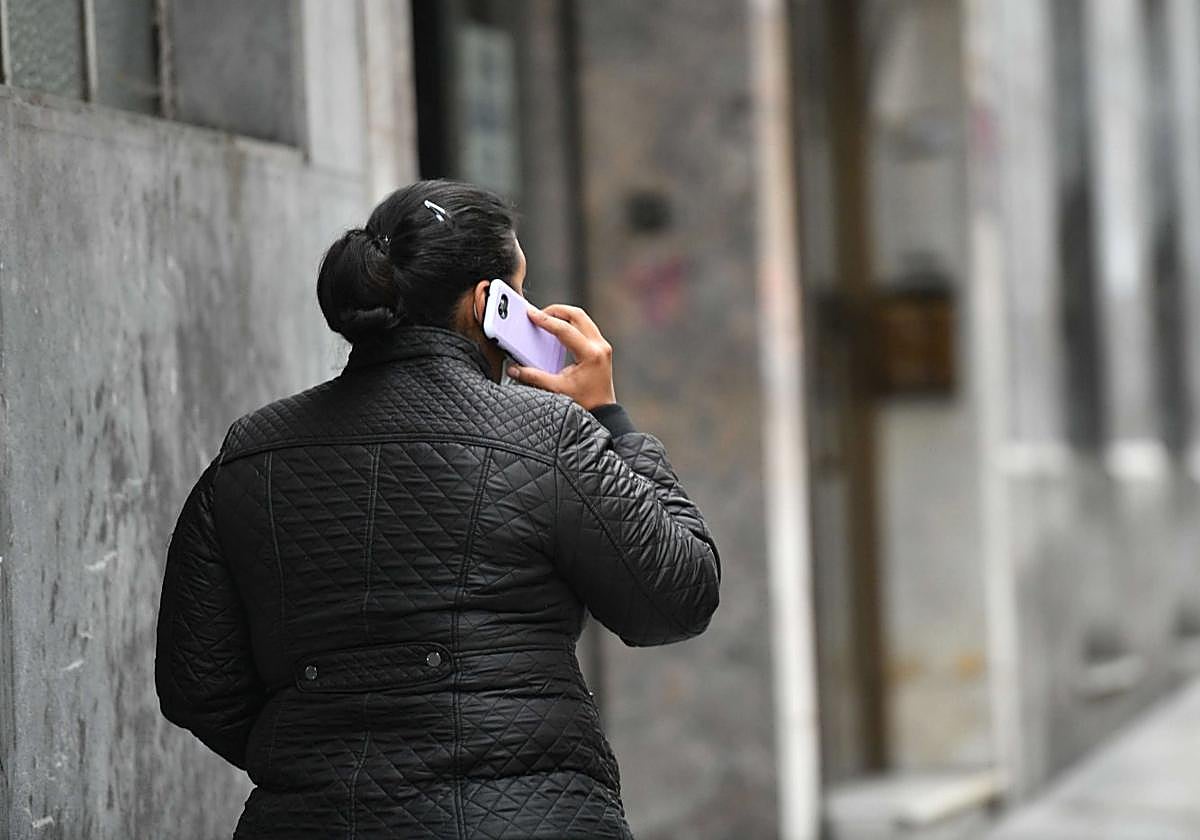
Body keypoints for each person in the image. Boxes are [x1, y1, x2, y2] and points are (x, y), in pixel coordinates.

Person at [154, 179, 721, 839]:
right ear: (488, 303)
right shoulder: (548, 437)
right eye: (520, 292)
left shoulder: (249, 453)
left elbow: (198, 684)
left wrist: (315, 755)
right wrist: (610, 418)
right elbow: (678, 598)